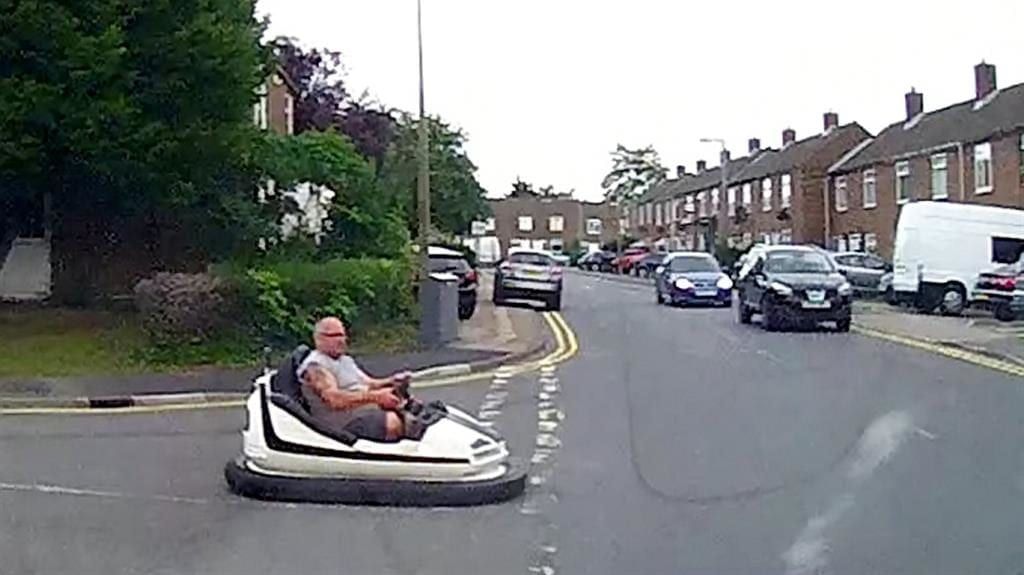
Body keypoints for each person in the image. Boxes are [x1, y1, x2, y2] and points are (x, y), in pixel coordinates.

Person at [297, 316, 412, 441]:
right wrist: (376, 397)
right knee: (392, 422)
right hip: (342, 423)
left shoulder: (346, 360)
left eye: (342, 335)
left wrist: (392, 381)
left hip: (364, 411)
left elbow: (369, 384)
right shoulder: (315, 366)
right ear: (319, 339)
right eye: (334, 336)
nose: (341, 340)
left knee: (414, 409)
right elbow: (334, 399)